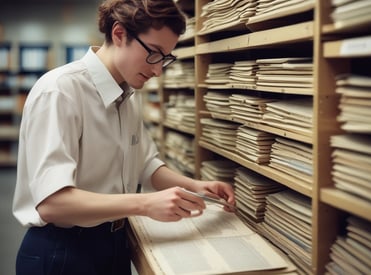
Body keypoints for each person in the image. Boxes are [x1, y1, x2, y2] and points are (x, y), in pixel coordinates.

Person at [12, 0, 236, 274]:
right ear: (119, 34)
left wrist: (194, 186)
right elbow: (52, 204)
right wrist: (146, 204)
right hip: (63, 251)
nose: (157, 71)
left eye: (165, 57)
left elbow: (145, 165)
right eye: (154, 53)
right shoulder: (60, 92)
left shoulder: (127, 95)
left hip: (115, 242)